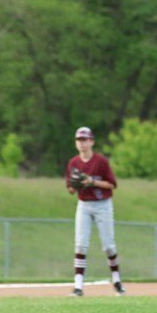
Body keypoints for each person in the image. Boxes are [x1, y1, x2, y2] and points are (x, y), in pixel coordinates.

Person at [65, 126, 125, 296]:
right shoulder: (74, 163)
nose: (81, 143)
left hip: (102, 205)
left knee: (108, 246)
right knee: (80, 245)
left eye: (85, 140)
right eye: (79, 140)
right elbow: (70, 190)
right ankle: (78, 286)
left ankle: (117, 281)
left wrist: (92, 181)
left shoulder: (101, 161)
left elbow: (112, 184)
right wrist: (75, 185)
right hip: (84, 205)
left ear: (91, 141)